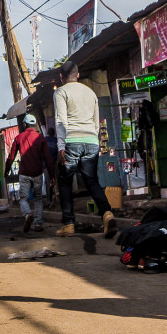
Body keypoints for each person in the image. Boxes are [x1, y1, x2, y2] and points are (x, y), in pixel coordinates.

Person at [54, 61, 117, 238]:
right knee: (92, 181)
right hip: (91, 141)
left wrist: (61, 146)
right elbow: (96, 121)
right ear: (78, 75)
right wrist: (94, 140)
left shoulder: (61, 92)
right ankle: (107, 213)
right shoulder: (90, 93)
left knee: (65, 181)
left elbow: (61, 121)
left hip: (71, 141)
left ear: (61, 77)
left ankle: (69, 223)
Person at [6, 113, 57, 232]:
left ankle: (28, 214)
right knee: (38, 199)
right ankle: (38, 224)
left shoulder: (19, 138)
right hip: (38, 173)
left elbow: (11, 157)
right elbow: (48, 158)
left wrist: (7, 171)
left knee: (23, 199)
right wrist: (52, 175)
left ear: (24, 124)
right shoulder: (40, 138)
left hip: (24, 173)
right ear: (34, 124)